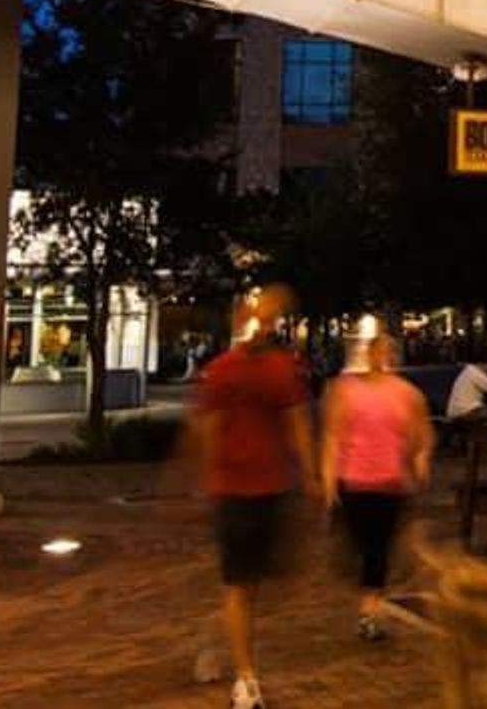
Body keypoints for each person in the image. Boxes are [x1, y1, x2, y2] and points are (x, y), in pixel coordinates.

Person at [193, 285, 316, 709]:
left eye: (270, 316)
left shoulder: (282, 369)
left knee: (256, 587)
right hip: (235, 491)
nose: (263, 323)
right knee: (241, 585)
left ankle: (219, 635)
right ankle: (246, 681)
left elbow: (297, 423)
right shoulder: (223, 371)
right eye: (258, 315)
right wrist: (211, 478)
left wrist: (312, 475)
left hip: (272, 488)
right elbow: (208, 430)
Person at [321, 325, 435, 641]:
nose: (383, 358)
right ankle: (368, 597)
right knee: (359, 546)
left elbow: (422, 434)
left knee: (378, 550)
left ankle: (369, 610)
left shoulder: (407, 394)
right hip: (354, 480)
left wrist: (420, 459)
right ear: (368, 356)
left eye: (389, 353)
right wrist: (329, 478)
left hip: (389, 482)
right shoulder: (347, 390)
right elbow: (333, 436)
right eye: (378, 352)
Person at [445, 356, 487, 421]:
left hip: (454, 412)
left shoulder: (467, 371)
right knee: (486, 412)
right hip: (464, 412)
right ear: (482, 364)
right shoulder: (475, 372)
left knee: (483, 408)